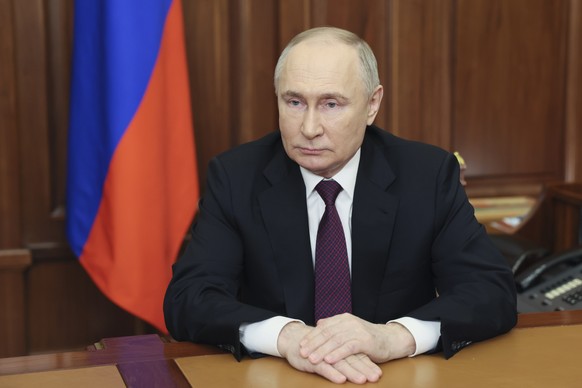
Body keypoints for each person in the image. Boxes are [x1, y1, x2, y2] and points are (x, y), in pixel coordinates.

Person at [164, 26, 517, 384]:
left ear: (372, 104)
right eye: (294, 102)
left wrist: (393, 337)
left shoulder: (425, 175)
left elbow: (490, 291)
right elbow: (188, 297)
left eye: (331, 104)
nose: (310, 127)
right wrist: (286, 337)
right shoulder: (236, 177)